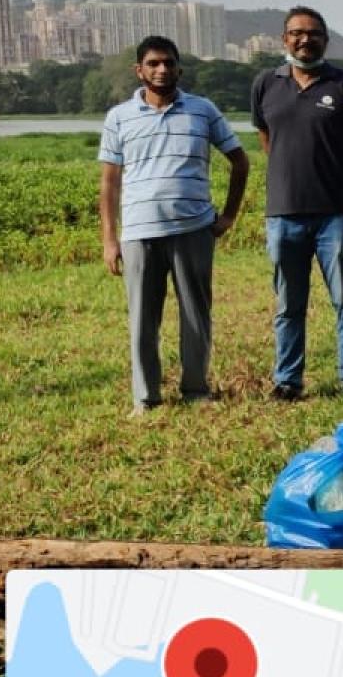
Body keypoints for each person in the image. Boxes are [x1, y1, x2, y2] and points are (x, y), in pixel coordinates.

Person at [98, 36, 249, 415]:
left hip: (194, 229)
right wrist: (109, 240)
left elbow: (240, 161)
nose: (161, 70)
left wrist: (228, 216)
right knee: (142, 320)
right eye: (153, 64)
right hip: (139, 233)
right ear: (139, 70)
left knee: (196, 315)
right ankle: (145, 398)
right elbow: (109, 182)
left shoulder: (202, 110)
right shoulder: (119, 117)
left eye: (168, 63)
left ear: (179, 69)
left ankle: (196, 390)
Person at [250, 6, 343, 399]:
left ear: (325, 38)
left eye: (313, 33)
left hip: (336, 214)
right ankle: (288, 381)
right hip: (283, 214)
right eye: (296, 33)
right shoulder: (266, 83)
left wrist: (334, 170)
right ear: (285, 39)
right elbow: (267, 137)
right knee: (288, 305)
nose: (305, 40)